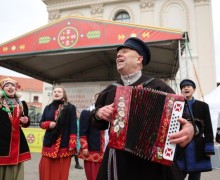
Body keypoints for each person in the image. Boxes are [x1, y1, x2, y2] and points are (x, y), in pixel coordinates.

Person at [90, 37, 195, 180]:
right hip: (119, 161)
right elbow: (96, 123)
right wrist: (98, 113)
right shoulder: (110, 91)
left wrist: (190, 126)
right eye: (117, 54)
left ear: (139, 59)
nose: (119, 55)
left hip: (152, 162)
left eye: (125, 52)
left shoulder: (158, 86)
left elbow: (186, 116)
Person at [177, 79, 215, 180]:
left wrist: (209, 149)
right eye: (183, 87)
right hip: (180, 148)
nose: (186, 88)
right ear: (181, 90)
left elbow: (208, 128)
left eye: (189, 86)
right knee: (176, 175)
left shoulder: (203, 106)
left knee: (195, 177)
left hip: (198, 147)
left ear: (193, 89)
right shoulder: (177, 106)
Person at [39, 86, 77, 180]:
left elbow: (73, 125)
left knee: (61, 171)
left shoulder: (70, 107)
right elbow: (41, 123)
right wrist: (48, 124)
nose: (56, 93)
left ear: (63, 94)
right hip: (49, 143)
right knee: (46, 170)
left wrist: (72, 142)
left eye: (59, 92)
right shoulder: (48, 108)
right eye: (55, 91)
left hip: (63, 143)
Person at [0, 77, 31, 180]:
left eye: (12, 85)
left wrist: (26, 121)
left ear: (16, 88)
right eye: (7, 85)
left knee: (16, 169)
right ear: (2, 89)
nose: (10, 87)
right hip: (1, 141)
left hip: (17, 141)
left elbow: (25, 122)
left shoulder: (21, 104)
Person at [79, 93, 109, 180]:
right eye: (98, 98)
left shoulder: (109, 114)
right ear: (93, 99)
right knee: (93, 176)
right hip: (93, 150)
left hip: (106, 150)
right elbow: (82, 132)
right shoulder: (86, 113)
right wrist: (84, 147)